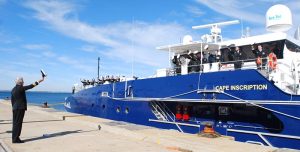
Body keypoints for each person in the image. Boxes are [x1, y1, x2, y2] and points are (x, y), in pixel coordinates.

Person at [11, 76, 44, 143]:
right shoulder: (20, 88)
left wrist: (14, 107)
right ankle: (16, 139)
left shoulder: (13, 89)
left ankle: (14, 138)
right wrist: (40, 80)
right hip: (20, 108)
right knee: (18, 124)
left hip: (15, 108)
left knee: (15, 124)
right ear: (20, 82)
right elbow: (31, 86)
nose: (23, 82)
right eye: (23, 81)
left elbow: (12, 100)